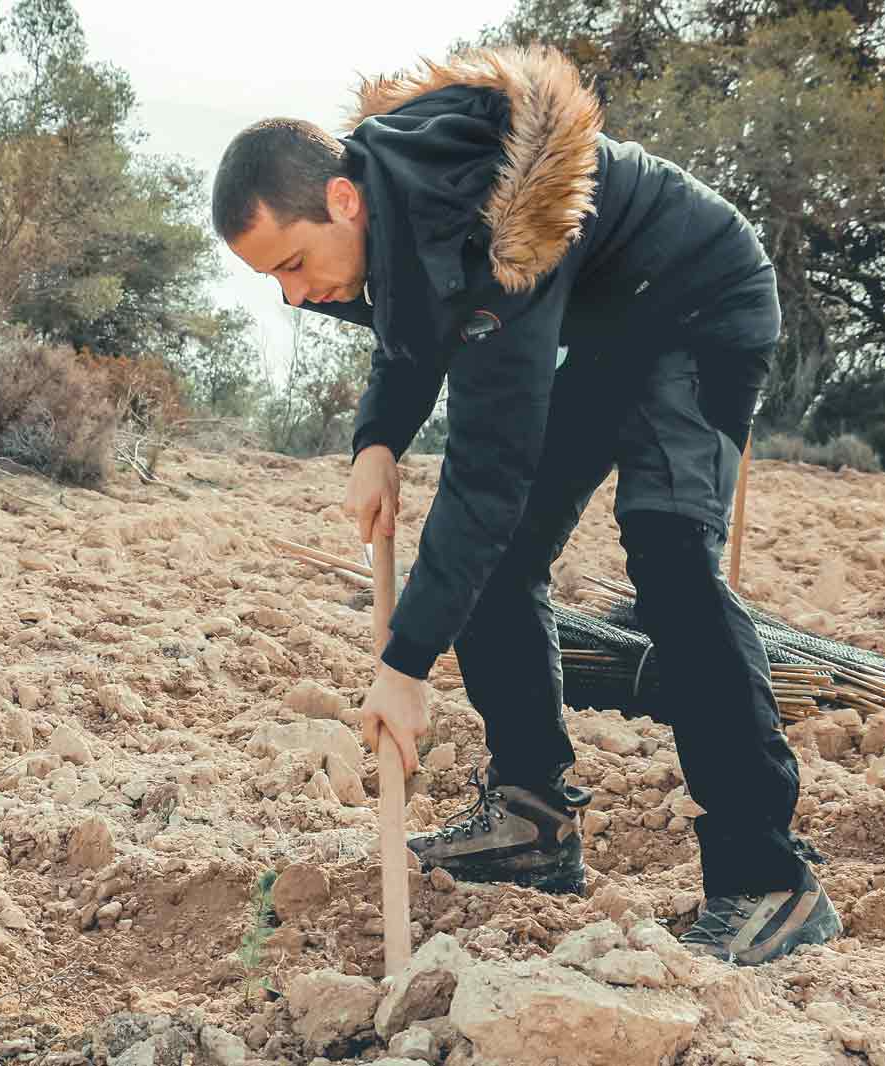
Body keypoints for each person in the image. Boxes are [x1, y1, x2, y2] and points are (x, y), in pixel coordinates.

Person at [211, 45, 840, 965]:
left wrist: (405, 662)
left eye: (295, 263)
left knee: (668, 560)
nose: (296, 294)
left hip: (701, 305)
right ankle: (534, 823)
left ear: (343, 200)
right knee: (498, 573)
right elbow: (409, 328)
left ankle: (770, 881)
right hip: (608, 326)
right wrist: (377, 439)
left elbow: (487, 475)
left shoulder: (491, 225)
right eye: (275, 280)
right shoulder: (397, 207)